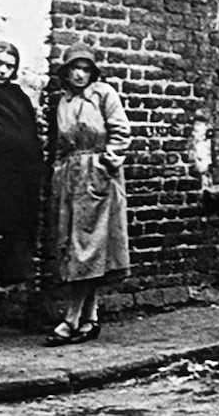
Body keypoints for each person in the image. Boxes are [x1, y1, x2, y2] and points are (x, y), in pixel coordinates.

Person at [45, 41, 131, 346]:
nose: (79, 75)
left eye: (85, 69)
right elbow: (60, 144)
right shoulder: (63, 102)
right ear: (66, 73)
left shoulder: (104, 94)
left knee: (88, 248)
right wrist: (59, 172)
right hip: (71, 180)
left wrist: (105, 164)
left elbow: (121, 133)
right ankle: (90, 317)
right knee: (77, 248)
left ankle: (71, 319)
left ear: (93, 72)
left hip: (98, 179)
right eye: (74, 69)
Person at [0, 41, 43, 286]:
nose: (3, 70)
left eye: (9, 66)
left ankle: (10, 280)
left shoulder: (18, 96)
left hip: (18, 175)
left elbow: (28, 132)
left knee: (16, 224)